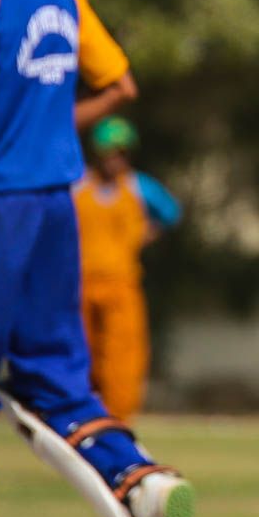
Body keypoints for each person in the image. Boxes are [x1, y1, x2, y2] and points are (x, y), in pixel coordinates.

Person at [0, 0, 194, 517]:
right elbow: (120, 82)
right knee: (54, 378)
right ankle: (143, 480)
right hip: (53, 208)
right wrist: (48, 123)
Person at [74, 117, 181, 423]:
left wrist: (145, 234)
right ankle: (81, 416)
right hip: (80, 285)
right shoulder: (78, 185)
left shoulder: (138, 186)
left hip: (122, 283)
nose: (114, 159)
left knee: (122, 357)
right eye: (108, 152)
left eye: (120, 153)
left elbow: (171, 213)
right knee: (82, 354)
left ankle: (117, 420)